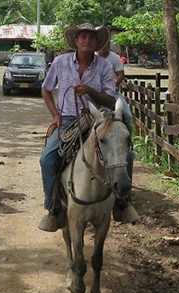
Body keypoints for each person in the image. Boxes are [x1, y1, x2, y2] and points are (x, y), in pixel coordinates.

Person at [39, 23, 137, 232]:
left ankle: (123, 203)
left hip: (99, 119)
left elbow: (111, 101)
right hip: (67, 119)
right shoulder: (60, 62)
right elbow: (46, 90)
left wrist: (90, 91)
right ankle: (53, 208)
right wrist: (55, 115)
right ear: (76, 41)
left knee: (127, 154)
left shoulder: (104, 66)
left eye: (91, 38)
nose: (86, 41)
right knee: (47, 159)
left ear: (96, 43)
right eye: (82, 37)